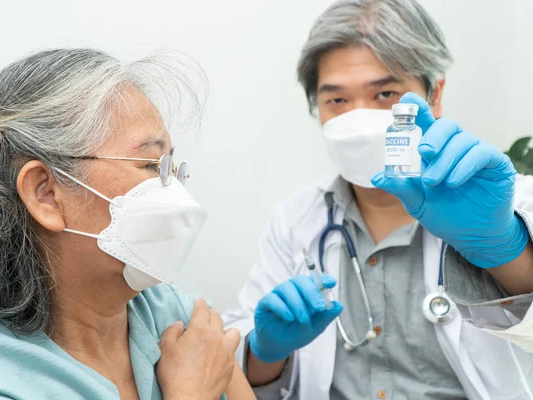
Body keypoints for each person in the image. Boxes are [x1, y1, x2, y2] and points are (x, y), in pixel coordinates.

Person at [222, 1, 533, 399]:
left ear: (434, 94)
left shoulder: (505, 202)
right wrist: (267, 350)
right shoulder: (296, 220)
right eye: (337, 100)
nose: (357, 120)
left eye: (385, 93)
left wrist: (504, 248)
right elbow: (245, 355)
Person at [0, 48, 255, 400]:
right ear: (45, 194)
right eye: (151, 165)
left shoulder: (174, 315)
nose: (175, 190)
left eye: (171, 167)